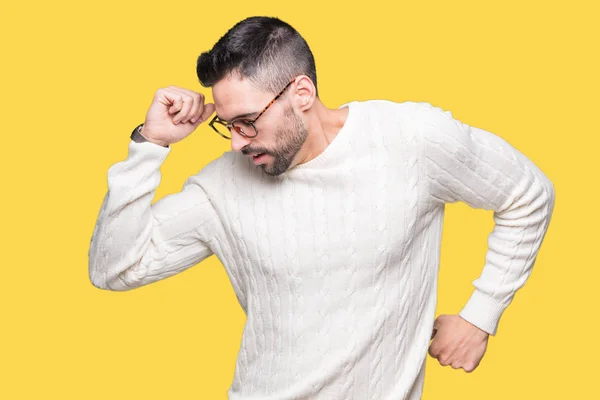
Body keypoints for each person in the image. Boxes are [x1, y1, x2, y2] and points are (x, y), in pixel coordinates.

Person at [88, 15, 555, 400]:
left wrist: (481, 313)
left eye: (247, 123)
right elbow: (114, 269)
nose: (235, 143)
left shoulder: (411, 140)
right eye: (226, 126)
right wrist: (149, 145)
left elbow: (527, 193)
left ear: (302, 94)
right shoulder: (223, 187)